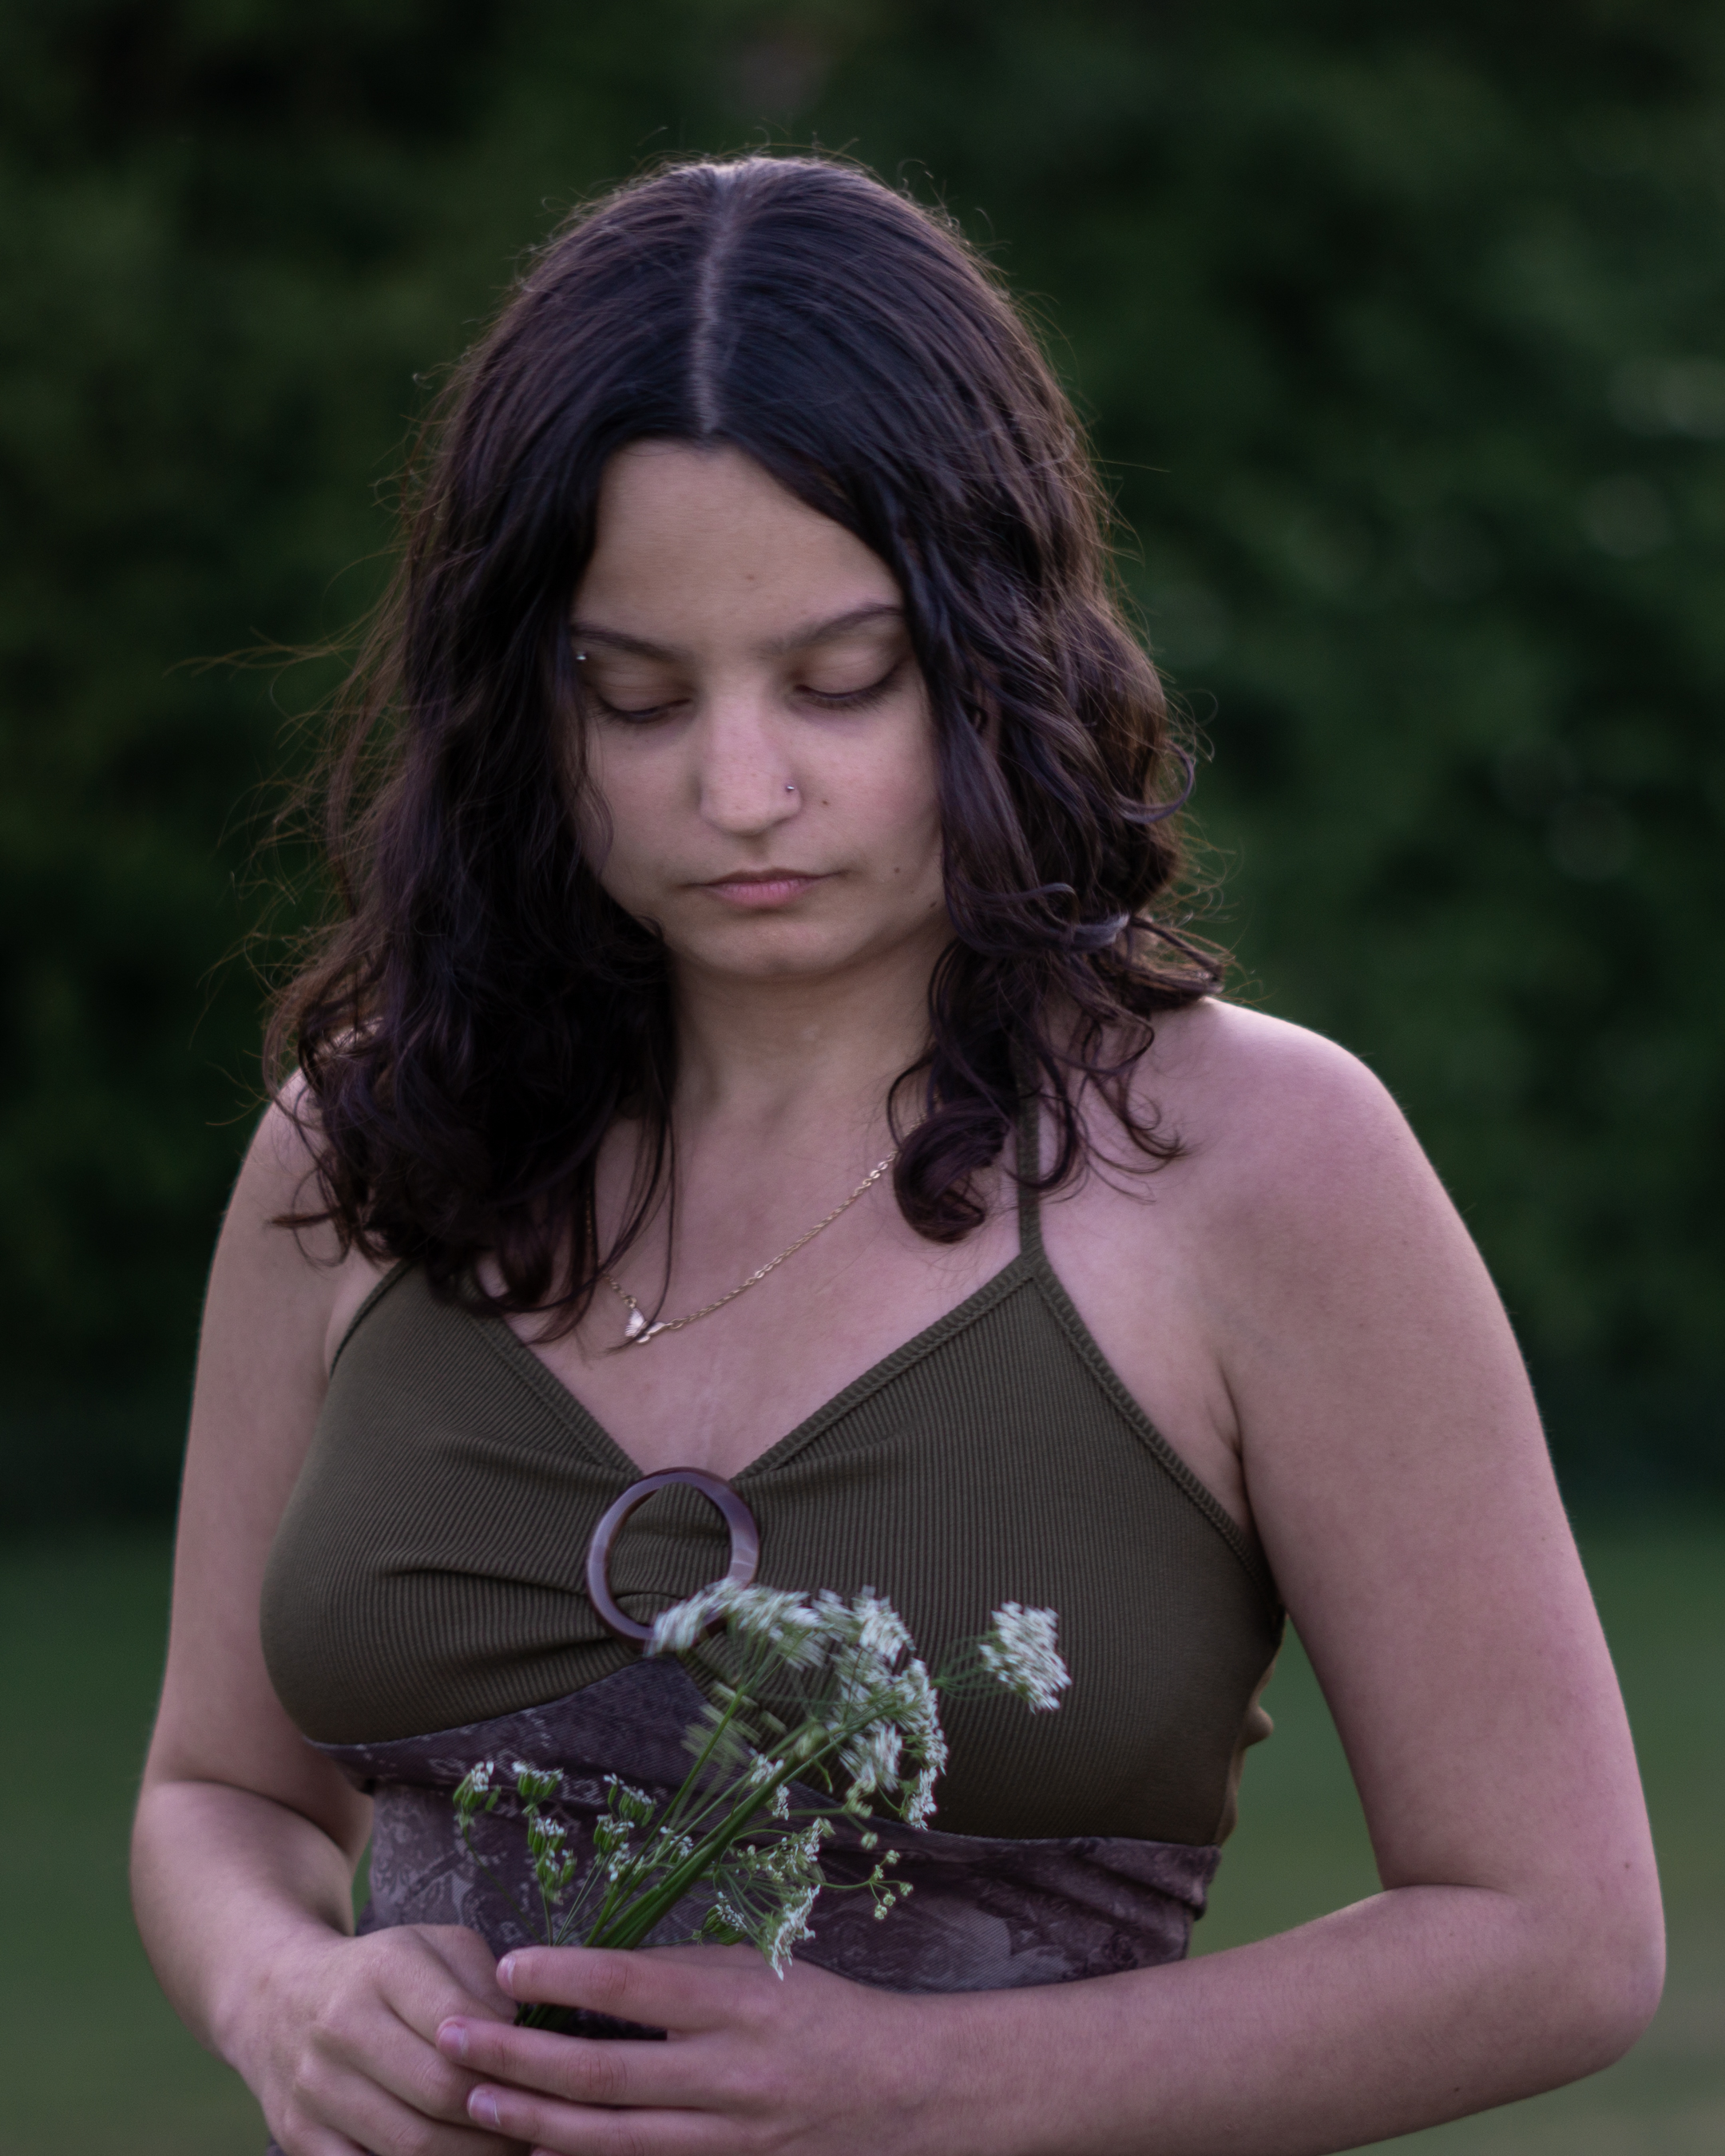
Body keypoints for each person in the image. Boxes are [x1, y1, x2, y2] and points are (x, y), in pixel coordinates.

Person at [132, 153, 1662, 2156]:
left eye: (841, 681)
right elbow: (214, 1796)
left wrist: (930, 2086)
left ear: (999, 648)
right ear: (525, 705)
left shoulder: (1264, 1165)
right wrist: (284, 1991)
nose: (740, 787)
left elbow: (1555, 1935)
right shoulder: (363, 1145)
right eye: (638, 696)